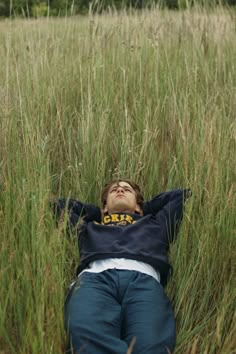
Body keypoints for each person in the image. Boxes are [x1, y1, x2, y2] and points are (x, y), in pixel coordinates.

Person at [52, 179, 191, 354]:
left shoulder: (155, 224)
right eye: (114, 191)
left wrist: (142, 209)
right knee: (85, 337)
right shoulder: (89, 227)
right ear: (104, 206)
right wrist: (100, 213)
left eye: (127, 190)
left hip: (144, 282)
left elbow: (179, 196)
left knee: (151, 344)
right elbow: (59, 205)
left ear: (139, 206)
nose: (120, 191)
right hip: (95, 280)